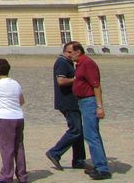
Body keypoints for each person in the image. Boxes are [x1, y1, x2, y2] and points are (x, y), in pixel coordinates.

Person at [68, 41, 111, 180]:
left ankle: (103, 169)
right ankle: (99, 165)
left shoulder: (87, 63)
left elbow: (96, 85)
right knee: (91, 135)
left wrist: (99, 107)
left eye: (70, 52)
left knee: (92, 135)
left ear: (78, 51)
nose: (69, 55)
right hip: (83, 102)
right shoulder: (80, 64)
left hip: (89, 102)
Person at [45, 42, 86, 170]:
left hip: (72, 101)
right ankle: (55, 152)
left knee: (78, 131)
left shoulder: (68, 62)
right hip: (67, 101)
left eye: (72, 52)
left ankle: (79, 160)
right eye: (68, 52)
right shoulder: (62, 62)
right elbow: (61, 81)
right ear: (64, 51)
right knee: (76, 130)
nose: (71, 55)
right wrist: (78, 79)